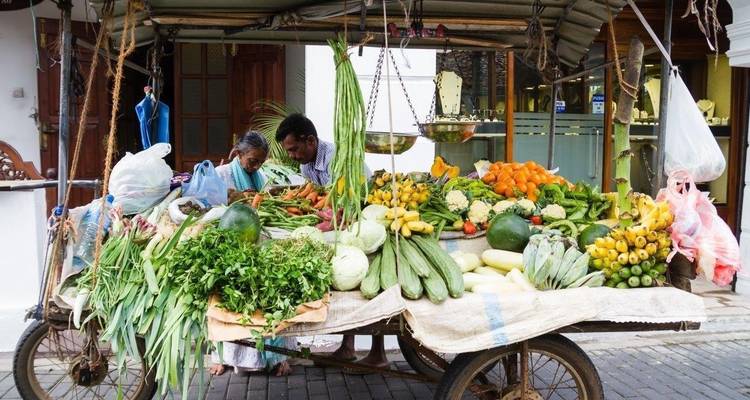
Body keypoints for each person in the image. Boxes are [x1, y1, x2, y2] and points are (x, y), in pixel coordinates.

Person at [276, 114, 388, 369]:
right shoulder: (306, 165)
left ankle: (378, 353)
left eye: (294, 149)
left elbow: (356, 194)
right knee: (349, 285)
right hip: (341, 224)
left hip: (366, 217)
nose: (292, 155)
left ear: (311, 141)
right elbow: (321, 200)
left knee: (370, 288)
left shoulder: (337, 157)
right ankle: (347, 347)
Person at [210, 131, 295, 377]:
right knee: (228, 302)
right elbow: (214, 213)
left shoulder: (260, 178)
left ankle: (277, 357)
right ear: (238, 154)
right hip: (230, 248)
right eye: (252, 161)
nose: (256, 166)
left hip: (259, 246)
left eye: (260, 162)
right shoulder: (221, 175)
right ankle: (222, 356)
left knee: (269, 299)